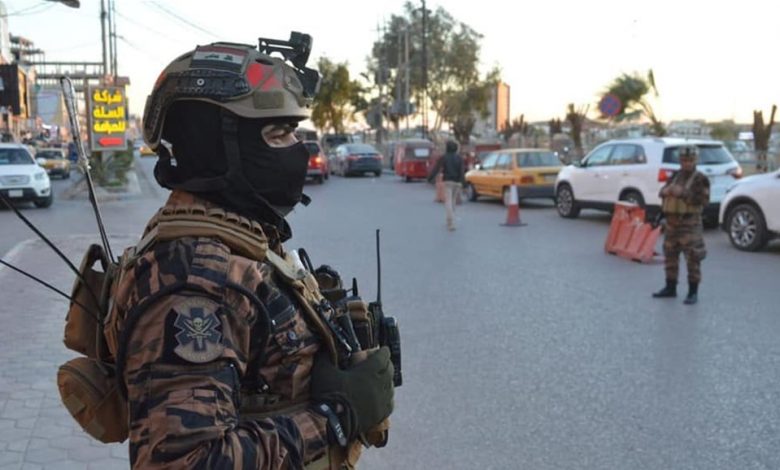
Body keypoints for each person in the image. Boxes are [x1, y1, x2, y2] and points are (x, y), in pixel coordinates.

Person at [104, 35, 394, 469]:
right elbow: (184, 460)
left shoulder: (233, 240)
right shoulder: (195, 282)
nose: (297, 150)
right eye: (279, 134)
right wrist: (333, 418)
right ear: (215, 146)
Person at [652, 145, 710, 305]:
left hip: (690, 224)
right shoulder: (675, 176)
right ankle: (670, 287)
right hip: (672, 223)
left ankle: (693, 292)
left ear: (695, 160)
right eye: (684, 160)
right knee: (670, 256)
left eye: (690, 160)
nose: (687, 163)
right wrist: (665, 192)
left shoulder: (700, 179)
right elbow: (663, 192)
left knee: (693, 258)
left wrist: (683, 193)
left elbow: (703, 200)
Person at [428, 140, 465, 231]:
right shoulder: (459, 158)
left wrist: (430, 178)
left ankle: (450, 222)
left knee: (448, 202)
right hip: (457, 182)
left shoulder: (444, 157)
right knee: (453, 201)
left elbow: (436, 168)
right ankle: (450, 219)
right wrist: (463, 183)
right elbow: (462, 171)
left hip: (448, 181)